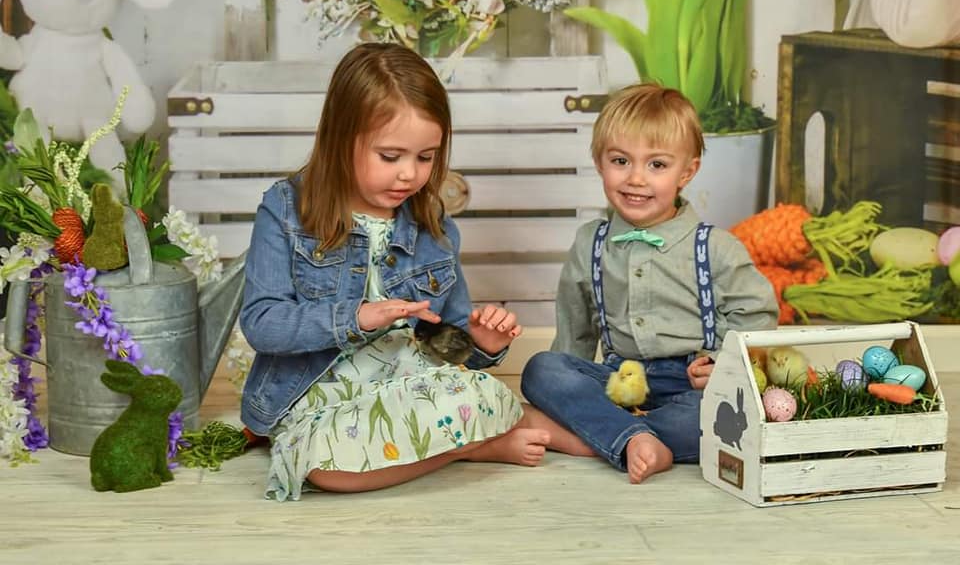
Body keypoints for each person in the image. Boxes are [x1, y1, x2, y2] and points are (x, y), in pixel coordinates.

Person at [239, 42, 550, 500]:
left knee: (489, 394)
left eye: (425, 158)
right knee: (321, 468)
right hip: (320, 395)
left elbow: (449, 339)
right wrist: (358, 317)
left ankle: (482, 436)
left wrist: (483, 342)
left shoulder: (434, 226)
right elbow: (262, 323)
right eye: (391, 157)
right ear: (341, 139)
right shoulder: (286, 210)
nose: (410, 175)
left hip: (410, 385)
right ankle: (464, 448)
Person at [520, 83, 778, 484]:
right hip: (619, 381)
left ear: (687, 172)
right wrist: (563, 395)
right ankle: (628, 435)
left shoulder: (715, 247)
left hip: (689, 385)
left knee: (719, 416)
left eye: (657, 165)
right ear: (599, 162)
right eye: (621, 160)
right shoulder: (591, 242)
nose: (636, 178)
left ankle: (604, 436)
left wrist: (719, 362)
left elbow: (757, 315)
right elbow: (576, 325)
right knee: (541, 370)